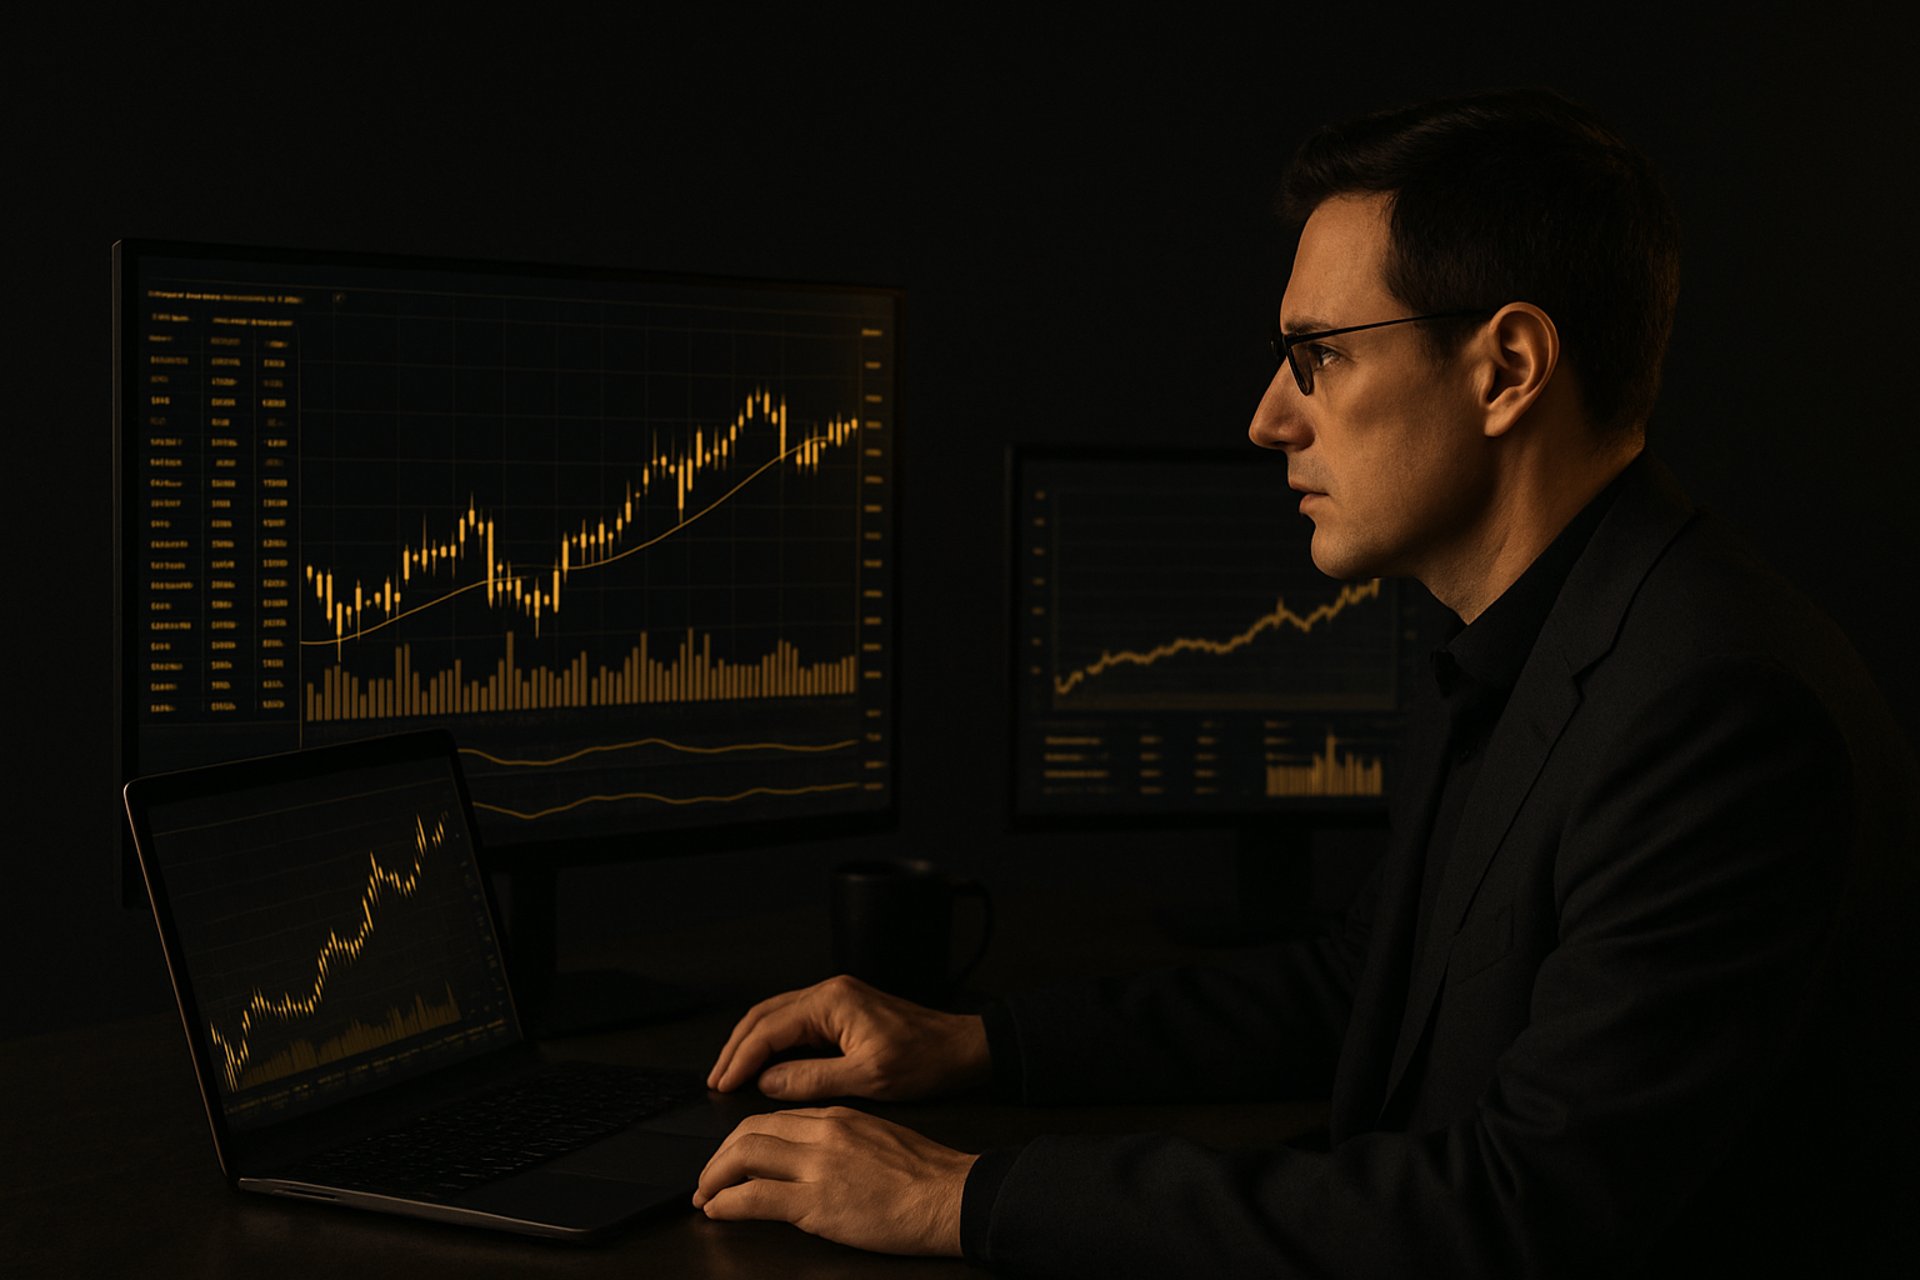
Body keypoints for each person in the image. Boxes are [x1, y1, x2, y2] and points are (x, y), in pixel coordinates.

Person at [690, 88, 1918, 1277]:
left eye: (1317, 355)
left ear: (1507, 368)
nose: (1269, 416)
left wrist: (957, 1196)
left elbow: (1520, 1217)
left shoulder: (1718, 713)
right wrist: (970, 1043)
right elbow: (1362, 985)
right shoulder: (1539, 633)